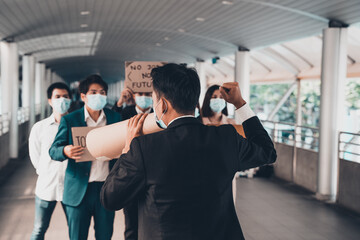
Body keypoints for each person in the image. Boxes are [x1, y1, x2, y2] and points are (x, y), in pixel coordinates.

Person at [100, 63, 277, 240]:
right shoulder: (226, 137)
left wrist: (127, 150)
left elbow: (110, 198)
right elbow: (267, 152)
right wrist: (240, 103)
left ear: (162, 105)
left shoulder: (144, 147)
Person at [49, 74, 121, 240]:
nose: (99, 96)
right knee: (77, 236)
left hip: (106, 188)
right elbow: (53, 150)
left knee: (105, 235)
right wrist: (65, 151)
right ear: (83, 96)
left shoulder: (114, 118)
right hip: (79, 190)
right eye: (94, 92)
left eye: (102, 92)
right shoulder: (70, 119)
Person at [29, 82, 72, 240]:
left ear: (71, 99)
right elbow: (35, 158)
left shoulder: (76, 126)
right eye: (57, 97)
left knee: (75, 229)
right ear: (50, 100)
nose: (62, 100)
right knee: (39, 228)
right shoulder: (39, 128)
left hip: (70, 188)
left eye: (65, 97)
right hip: (46, 187)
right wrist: (46, 172)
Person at [112, 88, 154, 240]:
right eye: (140, 94)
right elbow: (110, 123)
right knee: (131, 222)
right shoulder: (125, 113)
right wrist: (119, 103)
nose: (144, 97)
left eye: (148, 94)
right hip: (131, 173)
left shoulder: (160, 114)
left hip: (154, 174)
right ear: (134, 96)